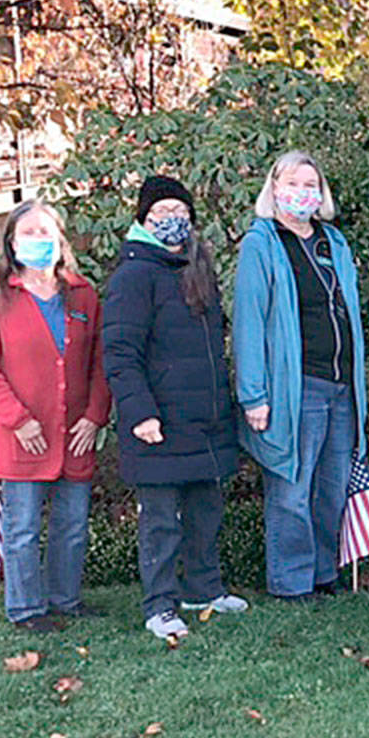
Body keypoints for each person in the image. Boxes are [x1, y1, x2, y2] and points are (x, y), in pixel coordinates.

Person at [102, 176, 246, 643]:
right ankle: (160, 606)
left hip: (204, 420)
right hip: (158, 423)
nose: (172, 220)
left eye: (180, 211)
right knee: (161, 523)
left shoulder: (196, 267)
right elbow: (120, 353)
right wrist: (140, 413)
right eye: (161, 211)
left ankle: (204, 590)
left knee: (206, 514)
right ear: (143, 219)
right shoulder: (133, 276)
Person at [0, 201, 111, 632]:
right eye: (27, 232)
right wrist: (17, 418)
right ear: (11, 242)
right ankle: (27, 609)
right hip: (23, 436)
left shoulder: (83, 294)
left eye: (45, 231)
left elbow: (101, 363)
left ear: (61, 239)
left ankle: (65, 599)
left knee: (72, 526)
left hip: (75, 435)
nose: (37, 239)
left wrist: (95, 415)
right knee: (23, 529)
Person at [232, 150, 367, 601]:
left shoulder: (333, 242)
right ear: (274, 189)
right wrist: (254, 395)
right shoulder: (263, 243)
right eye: (292, 184)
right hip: (296, 389)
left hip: (341, 387)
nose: (301, 193)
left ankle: (323, 573)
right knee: (292, 490)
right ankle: (290, 583)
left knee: (332, 487)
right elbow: (249, 320)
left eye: (310, 185)